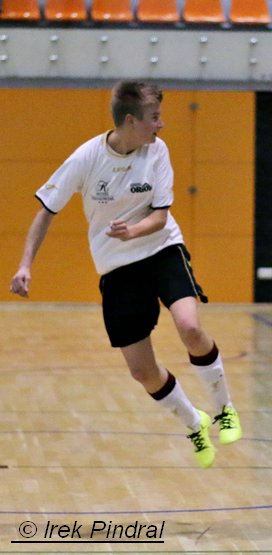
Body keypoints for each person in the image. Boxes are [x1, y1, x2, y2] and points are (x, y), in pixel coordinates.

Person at [9, 80, 241, 468]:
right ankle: (193, 424)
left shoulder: (157, 150)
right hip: (117, 267)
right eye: (154, 117)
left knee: (190, 327)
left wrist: (131, 231)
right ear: (131, 120)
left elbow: (161, 216)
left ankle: (224, 410)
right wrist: (25, 265)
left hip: (161, 249)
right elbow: (46, 211)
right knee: (142, 371)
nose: (161, 125)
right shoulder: (86, 158)